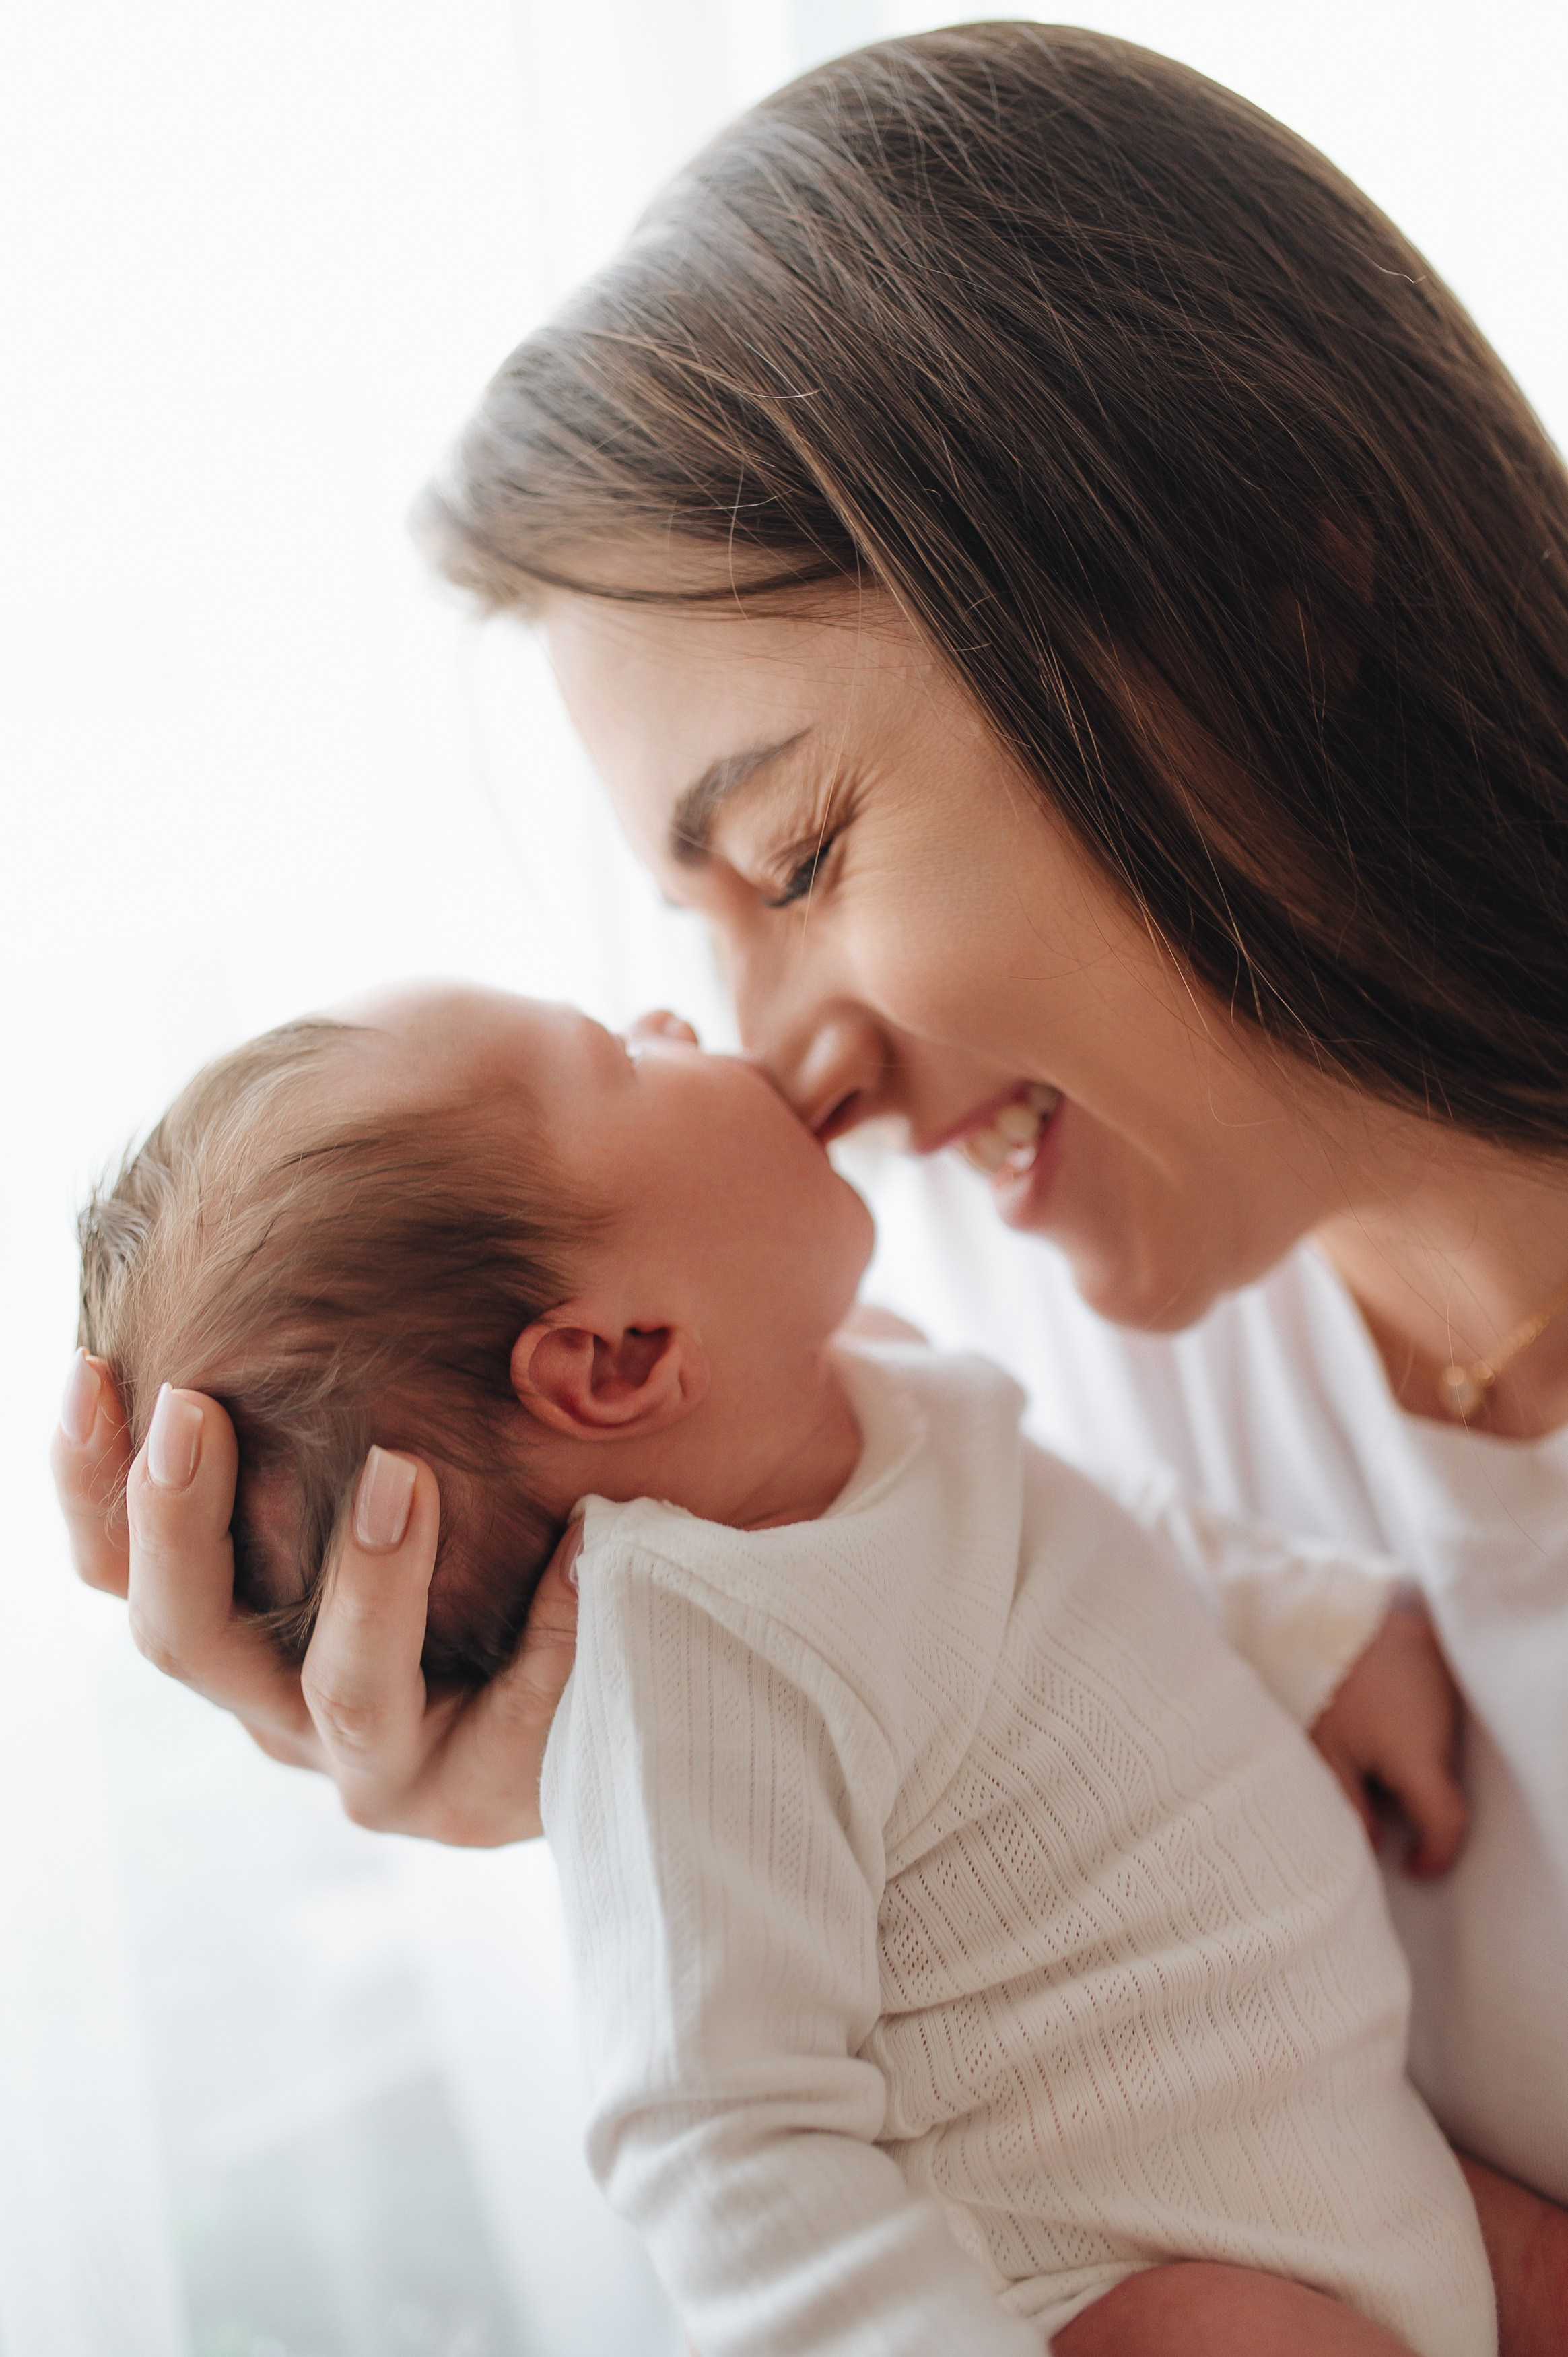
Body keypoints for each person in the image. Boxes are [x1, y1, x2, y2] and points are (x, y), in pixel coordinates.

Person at [51, 21, 1568, 2347]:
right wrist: (629, 1785)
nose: (780, 1063)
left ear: (1264, 605)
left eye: (800, 852)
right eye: (699, 936)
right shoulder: (982, 1357)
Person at [71, 981, 1494, 2356]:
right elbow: (716, 2139)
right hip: (1119, 2286)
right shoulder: (696, 1663)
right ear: (619, 1357)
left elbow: (1093, 1526)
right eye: (617, 1056)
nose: (679, 1019)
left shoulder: (876, 1394)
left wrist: (1315, 1633)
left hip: (1332, 2172)